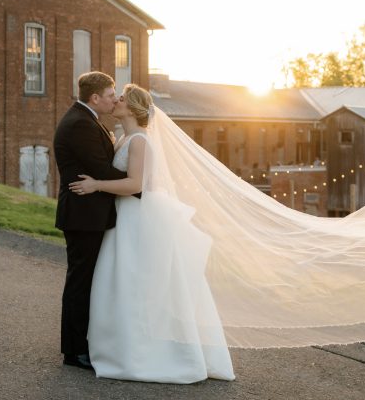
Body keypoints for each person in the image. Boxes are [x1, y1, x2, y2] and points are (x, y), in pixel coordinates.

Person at [70, 84, 235, 384]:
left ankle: (143, 354)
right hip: (125, 218)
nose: (115, 101)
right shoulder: (124, 138)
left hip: (137, 217)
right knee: (119, 282)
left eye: (121, 99)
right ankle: (120, 347)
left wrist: (96, 185)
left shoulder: (140, 142)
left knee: (135, 282)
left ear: (132, 109)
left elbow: (135, 184)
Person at [53, 71, 127, 370]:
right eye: (110, 95)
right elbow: (101, 169)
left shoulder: (86, 119)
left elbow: (99, 169)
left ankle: (81, 344)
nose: (114, 100)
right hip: (83, 216)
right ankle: (74, 351)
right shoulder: (80, 124)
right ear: (94, 97)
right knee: (80, 284)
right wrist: (142, 184)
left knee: (85, 282)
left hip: (89, 214)